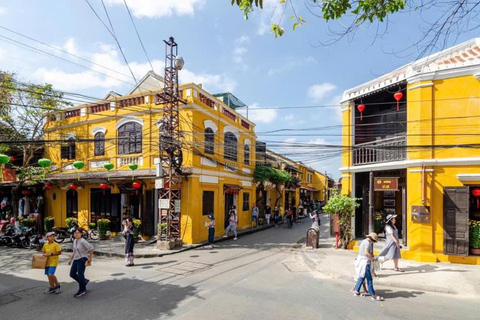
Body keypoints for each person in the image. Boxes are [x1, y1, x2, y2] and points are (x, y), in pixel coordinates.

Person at [352, 232, 384, 301]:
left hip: (361, 262)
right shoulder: (367, 243)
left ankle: (356, 291)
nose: (374, 242)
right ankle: (373, 295)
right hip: (365, 262)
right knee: (369, 279)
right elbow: (366, 253)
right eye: (374, 241)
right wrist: (373, 259)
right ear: (372, 239)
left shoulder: (363, 241)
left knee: (361, 277)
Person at [69, 228, 94, 298]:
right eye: (75, 233)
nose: (76, 234)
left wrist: (90, 258)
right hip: (76, 259)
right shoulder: (74, 241)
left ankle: (82, 290)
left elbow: (91, 248)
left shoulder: (83, 241)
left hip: (82, 259)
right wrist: (70, 259)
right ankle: (84, 281)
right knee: (72, 274)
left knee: (80, 275)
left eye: (78, 233)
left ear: (81, 234)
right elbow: (74, 251)